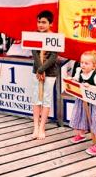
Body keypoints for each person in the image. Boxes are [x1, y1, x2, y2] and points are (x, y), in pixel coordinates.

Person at [69, 50, 96, 156]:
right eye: (82, 62)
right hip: (83, 99)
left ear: (93, 66)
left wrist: (91, 87)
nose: (83, 65)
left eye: (86, 63)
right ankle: (81, 134)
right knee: (80, 116)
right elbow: (76, 80)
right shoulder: (79, 71)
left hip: (95, 103)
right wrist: (71, 80)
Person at [31, 10, 59, 140]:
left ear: (50, 24)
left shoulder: (55, 37)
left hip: (50, 72)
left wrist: (42, 70)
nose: (40, 25)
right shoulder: (34, 36)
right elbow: (35, 54)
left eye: (44, 22)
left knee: (46, 100)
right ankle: (35, 126)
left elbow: (53, 58)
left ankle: (42, 127)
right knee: (36, 99)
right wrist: (39, 70)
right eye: (38, 22)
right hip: (37, 72)